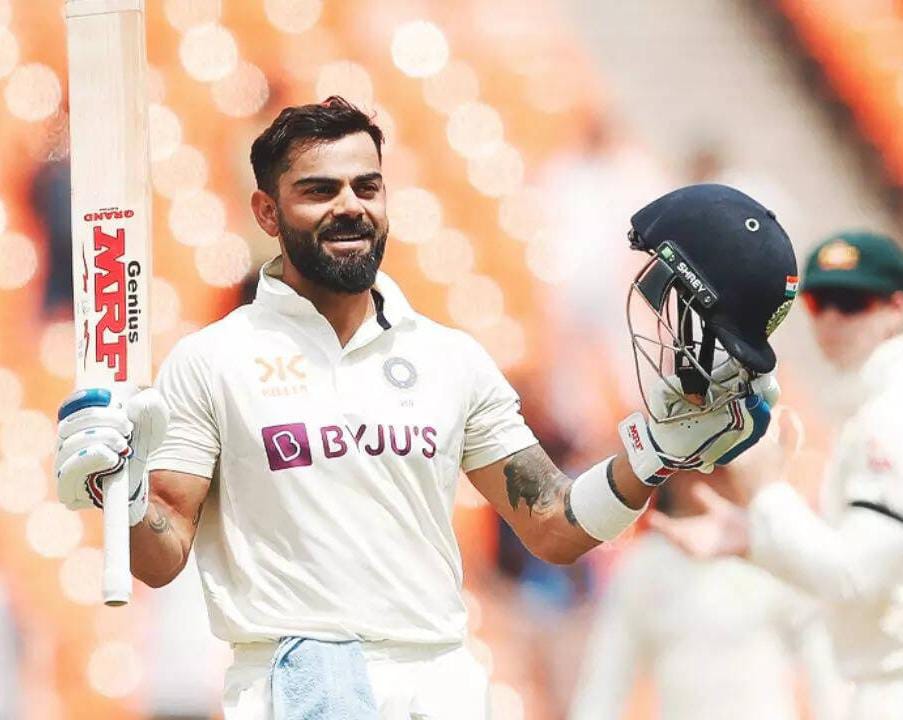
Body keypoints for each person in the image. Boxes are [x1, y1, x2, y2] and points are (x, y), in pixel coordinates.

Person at [53, 98, 789, 719]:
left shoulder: (449, 359)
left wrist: (651, 455)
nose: (349, 205)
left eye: (366, 186)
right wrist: (123, 493)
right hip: (296, 689)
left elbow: (553, 525)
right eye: (319, 190)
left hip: (437, 689)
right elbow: (161, 558)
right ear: (267, 213)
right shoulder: (212, 361)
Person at [650, 230, 903, 720]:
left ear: (896, 307)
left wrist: (766, 491)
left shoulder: (888, 414)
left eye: (852, 303)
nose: (832, 320)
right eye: (819, 303)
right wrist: (756, 537)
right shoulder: (872, 406)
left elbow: (852, 577)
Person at [569, 468, 844, 720]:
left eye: (720, 467)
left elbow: (822, 656)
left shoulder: (769, 549)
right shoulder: (643, 567)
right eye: (693, 466)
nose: (708, 477)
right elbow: (606, 679)